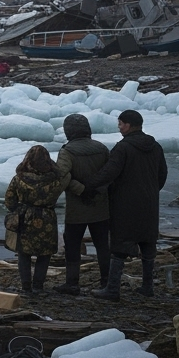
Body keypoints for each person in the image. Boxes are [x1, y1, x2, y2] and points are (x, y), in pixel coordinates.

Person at [83, 110, 168, 301]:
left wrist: (88, 184)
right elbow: (162, 174)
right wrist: (152, 192)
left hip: (125, 204)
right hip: (149, 203)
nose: (119, 127)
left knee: (120, 245)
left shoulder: (123, 148)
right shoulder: (155, 146)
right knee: (148, 244)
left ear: (128, 125)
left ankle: (112, 289)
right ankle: (147, 287)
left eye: (120, 124)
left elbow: (109, 172)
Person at [54, 114, 110, 295]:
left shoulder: (67, 151)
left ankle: (72, 283)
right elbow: (111, 173)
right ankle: (106, 282)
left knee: (72, 245)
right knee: (102, 245)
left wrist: (80, 189)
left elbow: (61, 176)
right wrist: (97, 190)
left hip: (77, 208)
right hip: (101, 205)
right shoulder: (101, 148)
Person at [4, 145, 63, 295]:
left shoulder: (19, 178)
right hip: (47, 217)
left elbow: (9, 201)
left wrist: (18, 209)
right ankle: (38, 286)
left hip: (25, 217)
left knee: (24, 253)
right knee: (45, 254)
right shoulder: (56, 180)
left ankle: (26, 287)